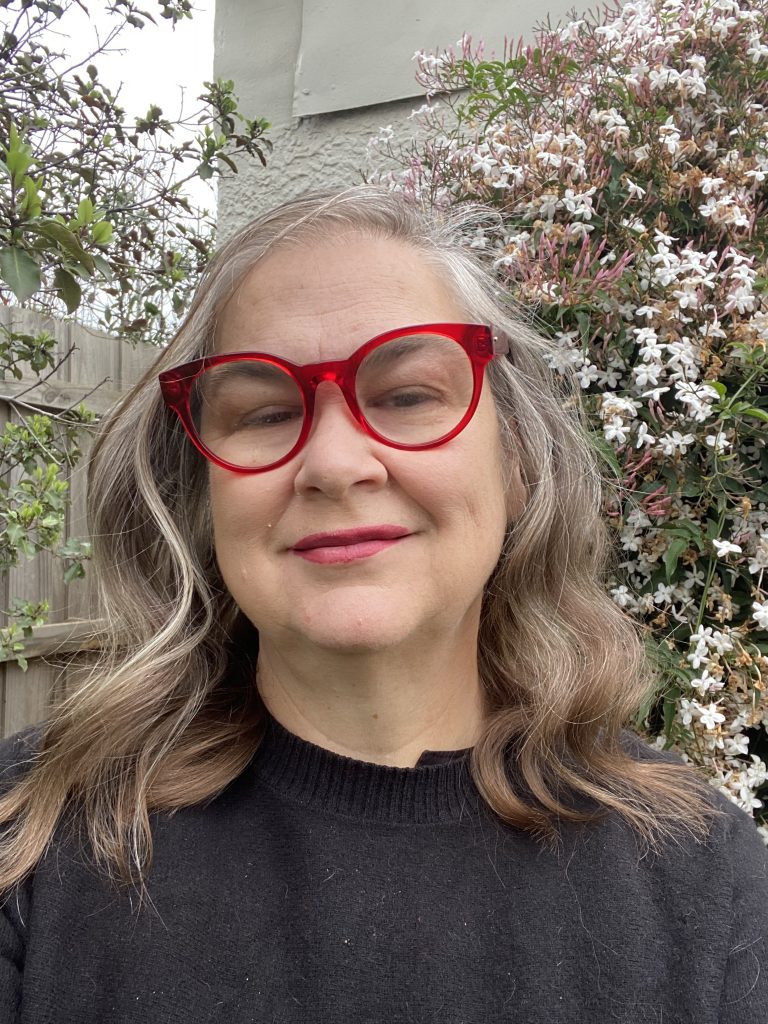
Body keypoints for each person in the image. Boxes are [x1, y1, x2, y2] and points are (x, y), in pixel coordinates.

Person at [0, 185, 766, 1023]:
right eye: (264, 412)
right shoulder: (31, 845)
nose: (335, 463)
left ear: (516, 462)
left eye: (406, 396)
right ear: (202, 493)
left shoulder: (703, 878)